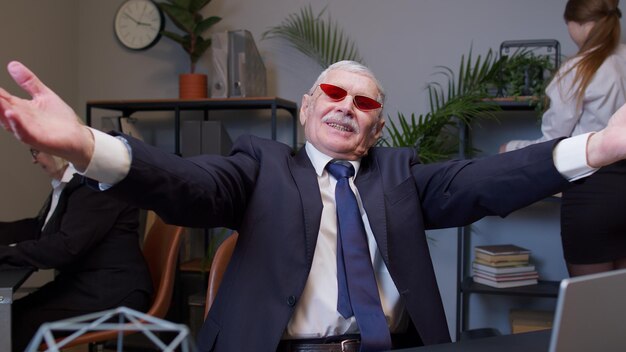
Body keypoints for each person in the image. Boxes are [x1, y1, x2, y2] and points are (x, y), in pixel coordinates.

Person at [2, 60, 626, 352]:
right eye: (332, 92)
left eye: (365, 102)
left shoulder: (401, 176)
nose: (346, 106)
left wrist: (598, 146)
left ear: (379, 127)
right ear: (305, 108)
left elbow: (485, 178)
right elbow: (187, 184)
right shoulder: (260, 167)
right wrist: (86, 145)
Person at [501, 0, 626, 277]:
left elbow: (554, 143)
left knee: (591, 307)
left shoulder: (578, 70)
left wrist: (510, 149)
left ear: (582, 24)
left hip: (592, 192)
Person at [0, 148, 153, 351]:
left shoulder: (94, 185)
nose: (33, 160)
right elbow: (41, 228)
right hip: (89, 285)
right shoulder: (75, 182)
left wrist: (4, 254)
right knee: (10, 316)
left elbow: (65, 247)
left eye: (36, 151)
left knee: (15, 323)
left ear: (55, 148)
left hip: (111, 293)